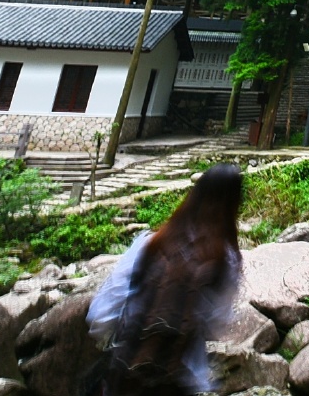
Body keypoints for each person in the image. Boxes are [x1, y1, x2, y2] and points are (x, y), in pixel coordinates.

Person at [88, 162, 245, 396]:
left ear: (194, 195)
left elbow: (101, 314)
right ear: (235, 206)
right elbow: (215, 324)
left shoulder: (150, 244)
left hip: (125, 374)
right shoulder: (226, 262)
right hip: (177, 380)